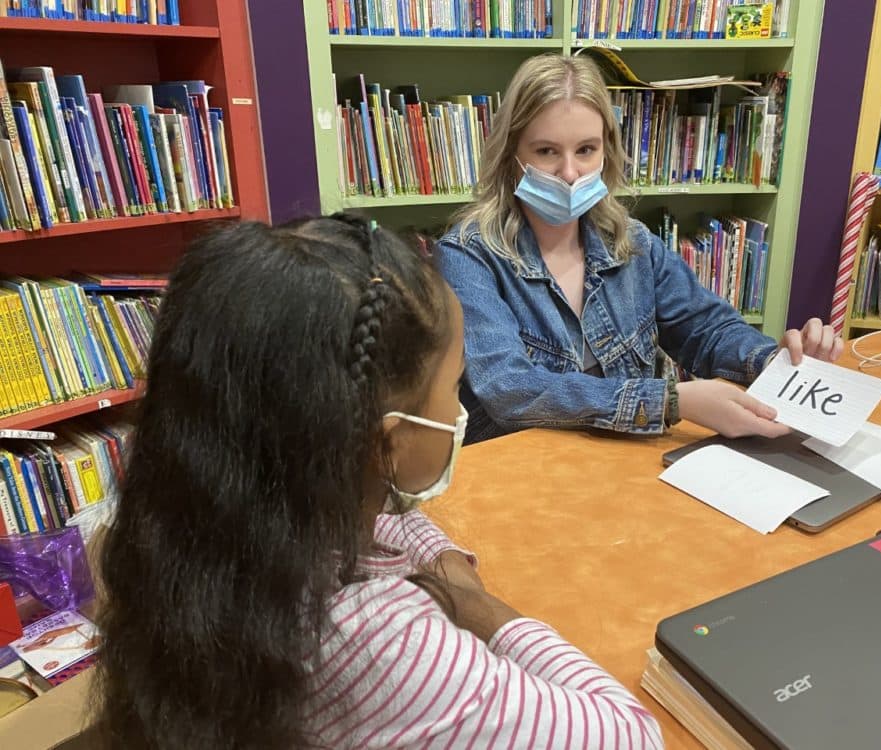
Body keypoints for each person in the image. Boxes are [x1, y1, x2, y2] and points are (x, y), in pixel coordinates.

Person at [93, 214, 663, 749]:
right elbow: (631, 733)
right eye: (453, 387)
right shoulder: (387, 646)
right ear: (388, 442)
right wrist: (483, 611)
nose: (457, 405)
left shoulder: (199, 526)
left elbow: (391, 521)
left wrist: (443, 567)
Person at [438, 53, 843, 444]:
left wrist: (773, 361)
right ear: (512, 155)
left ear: (607, 150)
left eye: (585, 150)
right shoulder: (468, 255)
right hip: (522, 474)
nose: (569, 172)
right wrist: (670, 402)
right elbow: (511, 390)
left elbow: (706, 330)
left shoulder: (633, 243)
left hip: (623, 463)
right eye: (546, 151)